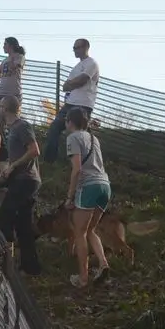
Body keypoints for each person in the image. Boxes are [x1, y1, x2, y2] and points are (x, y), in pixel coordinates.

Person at [64, 107, 111, 288]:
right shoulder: (94, 138)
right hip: (104, 186)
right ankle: (103, 264)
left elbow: (77, 169)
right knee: (90, 230)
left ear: (70, 122)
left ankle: (83, 278)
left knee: (79, 233)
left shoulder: (73, 138)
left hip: (88, 186)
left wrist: (70, 197)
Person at [0, 95, 41, 276]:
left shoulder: (22, 126)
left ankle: (6, 262)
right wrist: (7, 172)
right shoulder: (10, 129)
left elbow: (34, 150)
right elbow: (17, 157)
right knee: (23, 225)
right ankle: (31, 267)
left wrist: (13, 166)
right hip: (19, 178)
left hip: (26, 180)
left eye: (0, 106)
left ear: (5, 109)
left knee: (3, 219)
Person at [44, 38, 99, 163]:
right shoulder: (76, 67)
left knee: (81, 133)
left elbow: (82, 80)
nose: (74, 50)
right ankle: (49, 161)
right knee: (55, 127)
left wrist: (72, 83)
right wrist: (73, 83)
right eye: (73, 48)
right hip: (70, 103)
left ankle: (86, 160)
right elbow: (65, 86)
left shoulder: (92, 63)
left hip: (83, 104)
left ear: (85, 47)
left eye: (77, 47)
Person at [0, 37, 26, 104]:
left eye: (5, 44)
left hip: (13, 93)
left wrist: (12, 58)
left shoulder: (20, 57)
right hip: (2, 92)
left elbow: (12, 67)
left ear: (11, 45)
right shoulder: (4, 60)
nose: (3, 46)